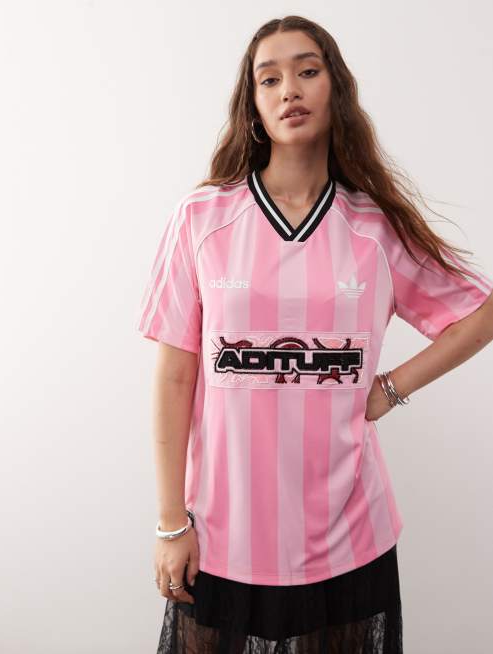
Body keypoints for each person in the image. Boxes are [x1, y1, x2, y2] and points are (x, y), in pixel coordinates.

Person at [135, 14, 493, 654]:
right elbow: (174, 375)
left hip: (348, 537)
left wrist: (391, 388)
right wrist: (170, 524)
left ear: (337, 89)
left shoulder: (375, 228)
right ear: (252, 105)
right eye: (269, 79)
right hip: (220, 534)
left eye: (306, 71)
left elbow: (480, 312)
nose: (289, 90)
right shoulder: (203, 218)